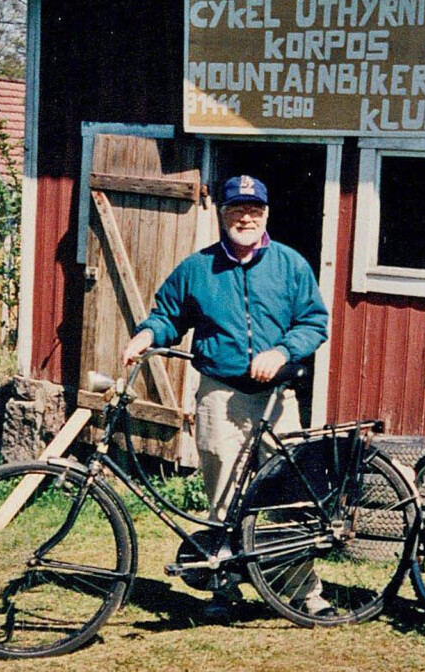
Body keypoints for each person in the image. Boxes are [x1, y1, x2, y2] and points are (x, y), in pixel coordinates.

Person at [122, 174, 330, 621]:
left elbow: (314, 323)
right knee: (223, 498)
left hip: (278, 399)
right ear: (223, 215)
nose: (246, 218)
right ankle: (225, 589)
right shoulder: (198, 269)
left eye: (254, 211)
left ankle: (304, 592)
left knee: (289, 499)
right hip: (220, 396)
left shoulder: (291, 265)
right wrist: (145, 334)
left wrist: (283, 351)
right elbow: (166, 314)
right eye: (237, 210)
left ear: (267, 215)